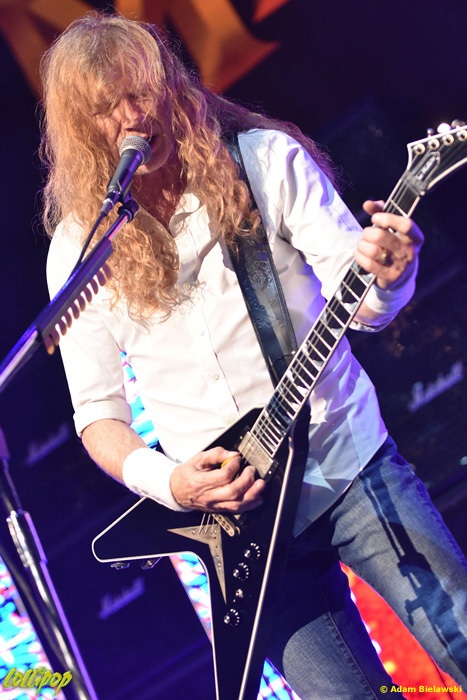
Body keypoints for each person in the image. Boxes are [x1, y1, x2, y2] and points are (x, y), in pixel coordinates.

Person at [40, 11, 467, 700]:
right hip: (237, 530)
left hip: (347, 465)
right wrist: (172, 484)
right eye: (106, 108)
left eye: (139, 91)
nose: (131, 117)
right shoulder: (79, 250)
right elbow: (98, 416)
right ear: (81, 130)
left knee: (460, 635)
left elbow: (360, 300)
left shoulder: (264, 161)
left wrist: (391, 276)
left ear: (169, 83)